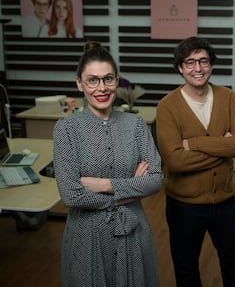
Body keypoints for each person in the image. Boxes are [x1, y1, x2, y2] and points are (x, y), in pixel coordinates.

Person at [53, 41, 162, 286]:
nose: (101, 88)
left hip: (133, 235)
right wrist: (130, 188)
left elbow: (155, 179)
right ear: (79, 83)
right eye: (92, 80)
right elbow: (71, 195)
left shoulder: (135, 124)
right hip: (88, 238)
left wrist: (104, 185)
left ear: (116, 81)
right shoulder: (66, 129)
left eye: (108, 79)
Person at [156, 36, 235, 287]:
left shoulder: (228, 97)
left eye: (203, 61)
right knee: (186, 266)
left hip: (224, 201)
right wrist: (224, 147)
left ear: (211, 65)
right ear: (180, 67)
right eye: (190, 62)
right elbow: (175, 161)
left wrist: (194, 143)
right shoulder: (167, 106)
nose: (197, 68)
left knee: (232, 260)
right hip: (183, 206)